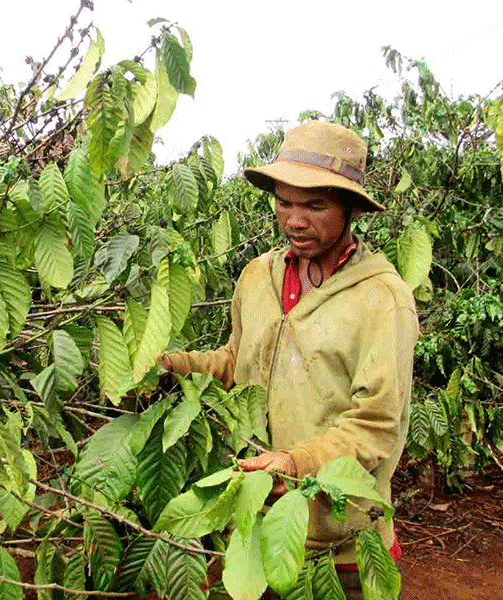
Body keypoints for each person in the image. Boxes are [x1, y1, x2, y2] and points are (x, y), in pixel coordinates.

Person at [159, 121, 418, 599]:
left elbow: (377, 425)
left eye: (314, 205)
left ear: (350, 210)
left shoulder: (383, 299)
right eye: (284, 202)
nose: (294, 220)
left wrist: (297, 463)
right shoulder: (258, 276)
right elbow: (238, 363)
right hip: (260, 529)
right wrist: (170, 365)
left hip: (339, 549)